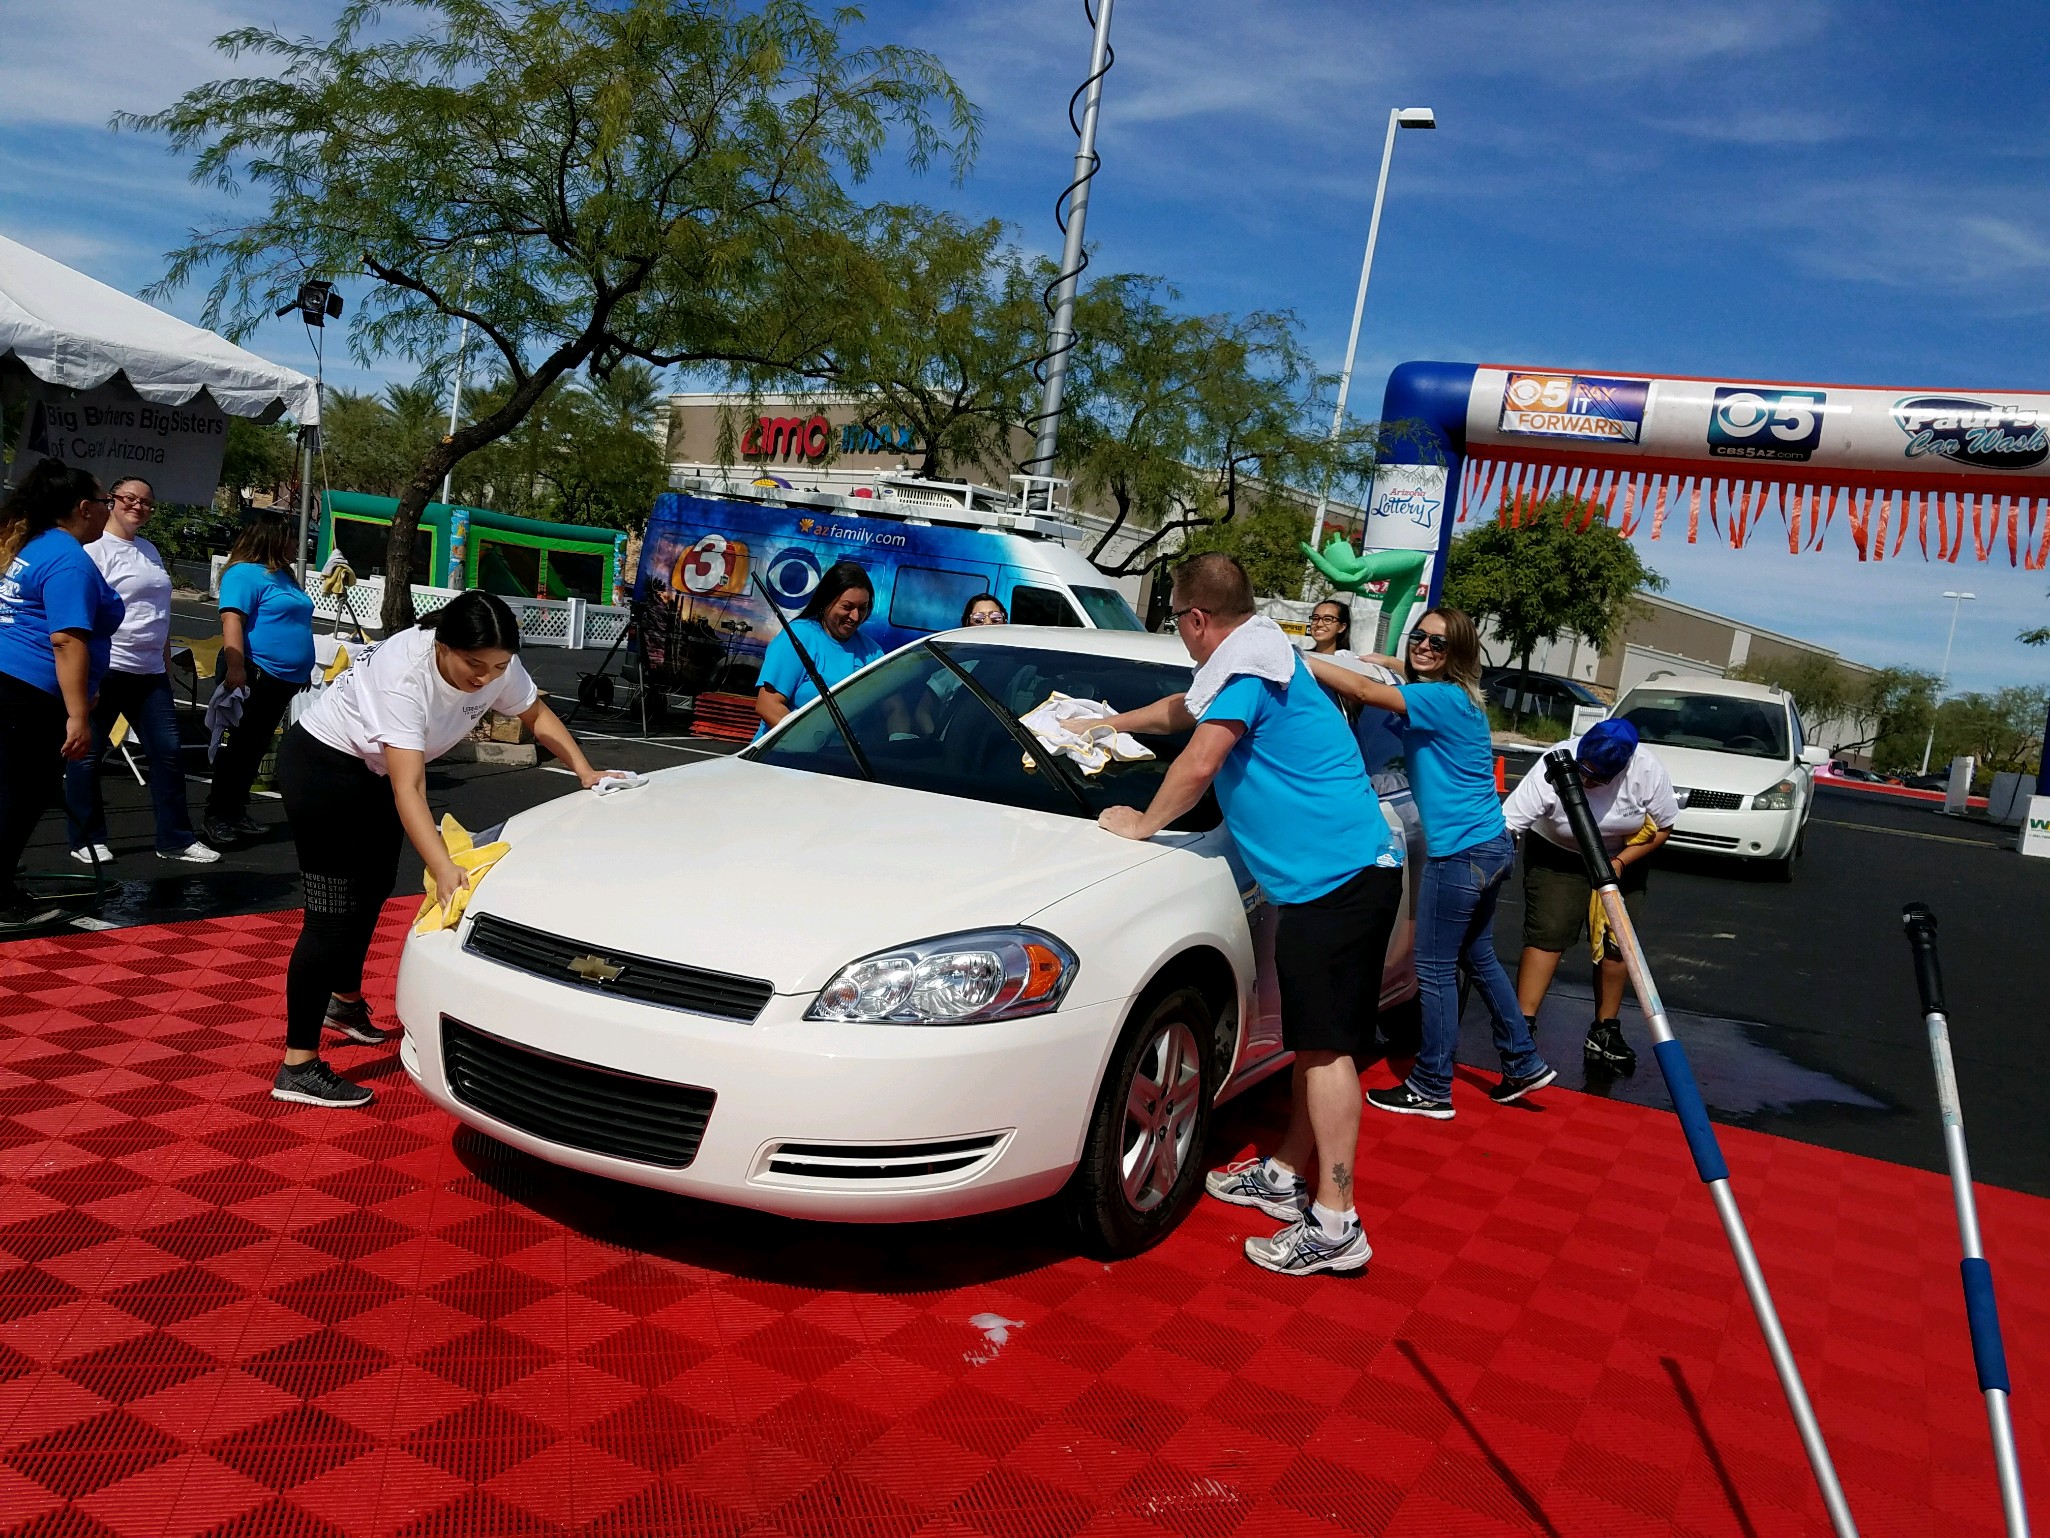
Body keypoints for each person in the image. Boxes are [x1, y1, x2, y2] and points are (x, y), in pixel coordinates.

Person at [1098, 554, 1403, 1277]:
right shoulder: (1256, 656)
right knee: (1315, 1044)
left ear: (1197, 618)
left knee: (1327, 1052)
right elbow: (1186, 708)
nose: (1178, 633)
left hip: (1338, 886)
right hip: (1333, 883)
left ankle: (1337, 1222)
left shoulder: (1248, 672)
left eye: (1175, 619)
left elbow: (1202, 758)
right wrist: (1109, 720)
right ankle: (1288, 1173)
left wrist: (1142, 824)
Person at [273, 589, 616, 1107]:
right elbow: (408, 788)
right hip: (323, 769)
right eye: (473, 665)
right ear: (441, 646)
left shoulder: (498, 661)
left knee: (373, 888)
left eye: (497, 666)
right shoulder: (405, 678)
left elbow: (536, 713)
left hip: (372, 773)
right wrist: (443, 865)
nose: (484, 678)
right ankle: (297, 1065)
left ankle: (342, 1002)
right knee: (331, 915)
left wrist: (585, 772)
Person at [1307, 609, 1554, 1119]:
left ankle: (1432, 1083)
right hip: (1490, 845)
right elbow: (1388, 679)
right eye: (1418, 637)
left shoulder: (1438, 698)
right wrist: (1391, 661)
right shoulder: (1460, 697)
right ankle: (1523, 1060)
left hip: (1459, 853)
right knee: (1478, 956)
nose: (1424, 647)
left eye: (1437, 644)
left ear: (1457, 654)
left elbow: (1366, 694)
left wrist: (1296, 656)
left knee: (1436, 969)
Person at [1500, 717, 1677, 1072]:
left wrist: (1623, 862)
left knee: (1618, 942)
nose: (1587, 781)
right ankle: (1523, 1028)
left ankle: (1605, 1030)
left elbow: (1664, 827)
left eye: (1598, 779)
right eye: (1584, 771)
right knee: (1549, 933)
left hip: (1622, 856)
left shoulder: (1647, 770)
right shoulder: (1555, 760)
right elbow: (1510, 824)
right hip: (1557, 853)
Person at [62, 477, 218, 867]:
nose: (138, 507)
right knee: (87, 756)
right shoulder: (94, 550)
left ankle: (176, 839)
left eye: (146, 502)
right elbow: (83, 612)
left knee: (167, 754)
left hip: (150, 673)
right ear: (110, 501)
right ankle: (87, 838)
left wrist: (164, 660)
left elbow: (158, 613)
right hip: (109, 668)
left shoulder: (149, 550)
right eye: (129, 499)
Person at [0, 463, 124, 927]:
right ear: (83, 508)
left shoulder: (31, 546)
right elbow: (66, 640)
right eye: (105, 503)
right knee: (21, 794)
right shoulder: (67, 559)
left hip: (13, 684)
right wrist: (78, 714)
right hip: (29, 692)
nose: (107, 512)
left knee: (13, 790)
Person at [204, 512, 316, 848]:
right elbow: (232, 622)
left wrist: (302, 667)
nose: (298, 544)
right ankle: (218, 814)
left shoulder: (281, 574)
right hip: (256, 672)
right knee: (239, 747)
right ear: (272, 538)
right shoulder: (243, 574)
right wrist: (236, 668)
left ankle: (236, 810)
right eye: (291, 537)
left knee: (254, 748)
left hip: (283, 678)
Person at [753, 561, 884, 737]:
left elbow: (890, 708)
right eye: (847, 607)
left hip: (841, 760)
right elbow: (768, 705)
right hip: (785, 756)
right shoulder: (798, 637)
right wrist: (809, 742)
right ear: (826, 601)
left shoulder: (873, 652)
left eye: (862, 608)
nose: (855, 616)